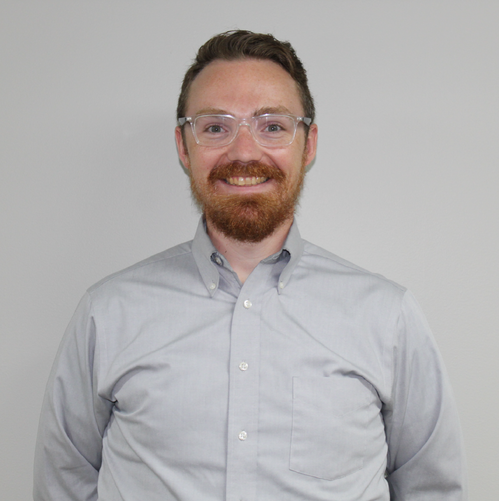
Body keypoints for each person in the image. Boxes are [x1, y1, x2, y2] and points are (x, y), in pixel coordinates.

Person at [34, 30, 467, 500]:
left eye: (272, 126)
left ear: (309, 144)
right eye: (215, 127)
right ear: (183, 146)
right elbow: (63, 485)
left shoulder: (387, 317)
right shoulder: (108, 313)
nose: (243, 152)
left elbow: (432, 491)